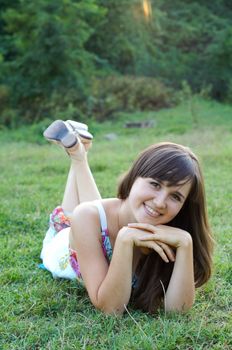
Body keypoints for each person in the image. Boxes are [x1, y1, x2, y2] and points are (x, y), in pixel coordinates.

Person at [40, 119, 213, 315]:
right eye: (155, 184)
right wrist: (124, 239)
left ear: (184, 206)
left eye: (175, 196)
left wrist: (186, 243)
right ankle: (77, 155)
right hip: (65, 244)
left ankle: (79, 152)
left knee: (93, 213)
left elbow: (176, 311)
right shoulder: (87, 218)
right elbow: (110, 309)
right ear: (134, 177)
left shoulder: (173, 232)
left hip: (101, 222)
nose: (159, 202)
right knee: (79, 214)